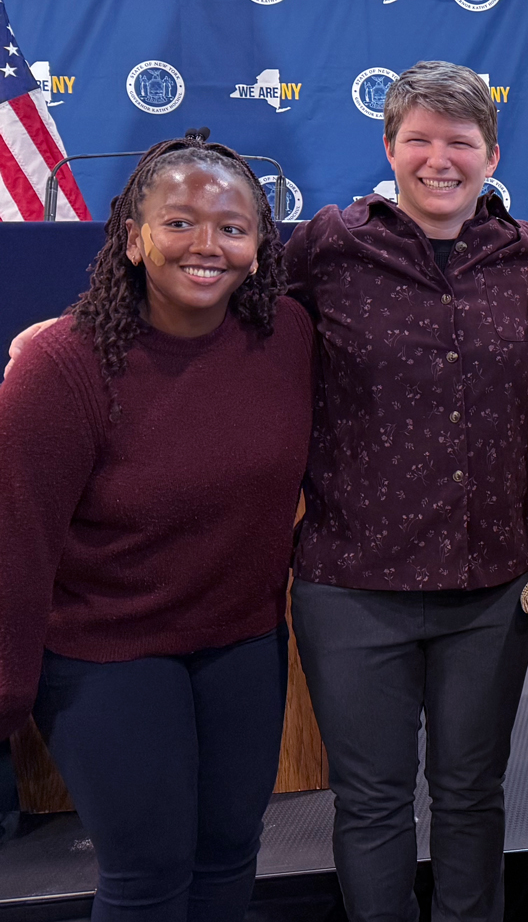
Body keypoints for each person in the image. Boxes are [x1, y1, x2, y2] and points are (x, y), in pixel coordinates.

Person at [0, 133, 313, 920]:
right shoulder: (60, 366)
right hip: (108, 654)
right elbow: (16, 543)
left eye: (233, 227)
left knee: (229, 861)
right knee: (146, 879)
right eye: (179, 222)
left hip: (242, 644)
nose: (207, 244)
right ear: (133, 239)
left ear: (258, 245)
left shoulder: (288, 338)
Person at [282, 61, 528, 922]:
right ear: (389, 146)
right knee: (371, 801)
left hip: (492, 584)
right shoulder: (328, 248)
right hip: (352, 582)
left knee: (472, 794)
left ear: (492, 155)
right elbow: (226, 324)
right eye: (420, 140)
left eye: (461, 143)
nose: (439, 160)